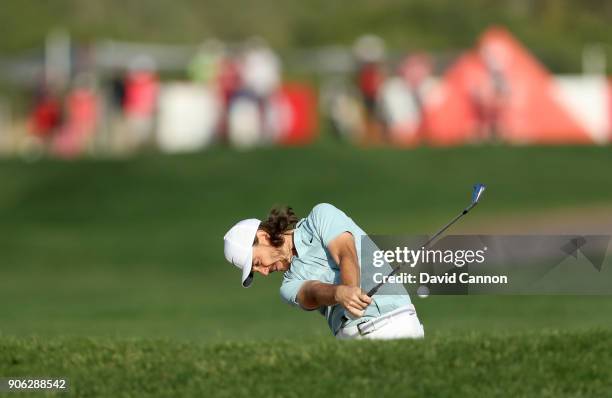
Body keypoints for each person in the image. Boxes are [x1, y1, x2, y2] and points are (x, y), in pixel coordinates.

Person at [223, 203, 424, 340]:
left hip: (398, 322)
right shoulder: (287, 287)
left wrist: (350, 289)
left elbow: (345, 252)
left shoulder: (320, 216)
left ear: (264, 236)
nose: (264, 273)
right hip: (354, 340)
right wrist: (339, 293)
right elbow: (312, 292)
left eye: (258, 262)